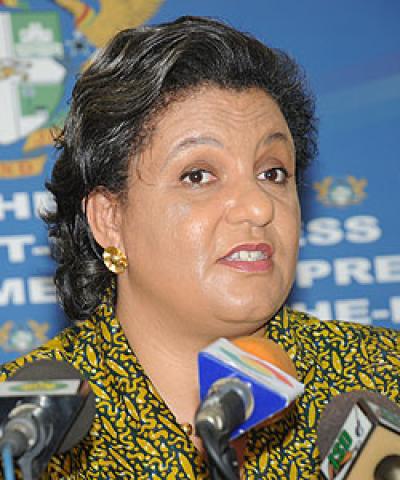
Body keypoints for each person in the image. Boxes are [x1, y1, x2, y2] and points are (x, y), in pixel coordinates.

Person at [0, 16, 398, 479]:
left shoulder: (381, 381)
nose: (258, 207)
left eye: (273, 173)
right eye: (198, 175)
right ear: (109, 219)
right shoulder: (24, 429)